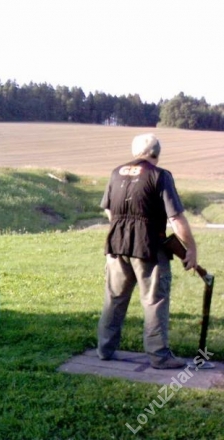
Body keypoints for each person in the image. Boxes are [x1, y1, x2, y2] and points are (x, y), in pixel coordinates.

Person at [97, 133, 198, 369]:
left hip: (116, 244)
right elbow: (175, 217)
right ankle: (159, 356)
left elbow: (109, 212)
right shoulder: (160, 175)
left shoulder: (115, 173)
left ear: (135, 152)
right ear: (157, 153)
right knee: (154, 301)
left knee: (114, 298)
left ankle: (104, 349)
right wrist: (191, 248)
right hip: (149, 247)